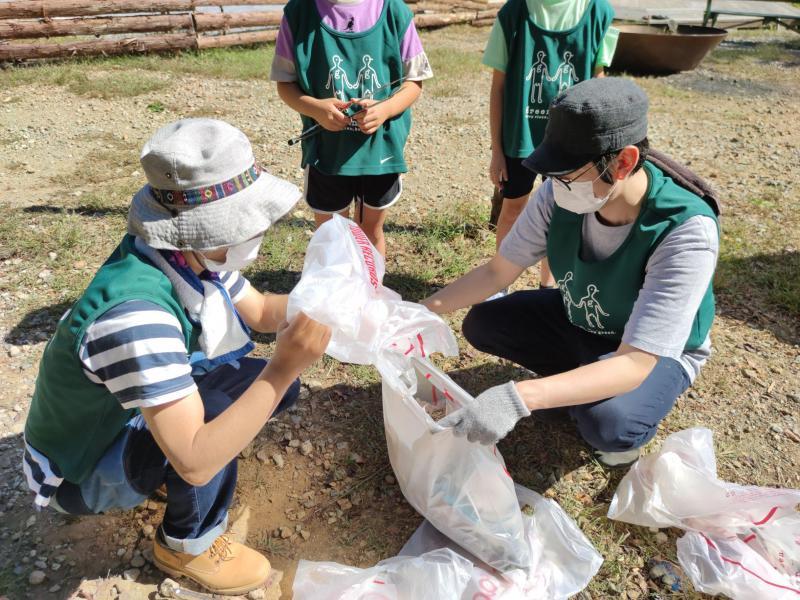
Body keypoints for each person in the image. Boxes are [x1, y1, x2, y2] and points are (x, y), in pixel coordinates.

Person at [22, 119, 332, 595]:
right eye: (243, 223)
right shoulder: (136, 316)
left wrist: (324, 307)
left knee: (266, 391)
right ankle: (188, 546)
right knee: (223, 417)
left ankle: (159, 470)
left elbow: (263, 311)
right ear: (200, 228)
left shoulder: (185, 256)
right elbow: (194, 460)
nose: (257, 231)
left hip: (119, 418)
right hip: (78, 474)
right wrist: (284, 364)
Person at [424, 78, 720, 468]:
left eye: (567, 174)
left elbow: (635, 361)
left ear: (623, 163)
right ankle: (582, 380)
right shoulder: (557, 194)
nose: (554, 185)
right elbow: (498, 273)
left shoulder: (684, 230)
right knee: (485, 322)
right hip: (585, 315)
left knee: (608, 424)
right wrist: (420, 311)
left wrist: (522, 397)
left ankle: (604, 403)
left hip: (650, 351)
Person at [270, 0, 433, 256]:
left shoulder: (394, 10)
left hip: (381, 151)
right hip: (327, 154)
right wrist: (316, 109)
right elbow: (285, 84)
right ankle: (334, 291)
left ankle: (371, 291)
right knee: (331, 237)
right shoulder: (299, 12)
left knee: (371, 232)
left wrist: (385, 109)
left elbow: (414, 81)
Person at [484, 0, 619, 294]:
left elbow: (599, 84)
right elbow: (498, 87)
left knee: (564, 214)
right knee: (512, 209)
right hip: (521, 139)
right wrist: (497, 151)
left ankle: (549, 288)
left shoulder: (599, 13)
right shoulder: (513, 13)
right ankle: (499, 285)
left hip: (572, 142)